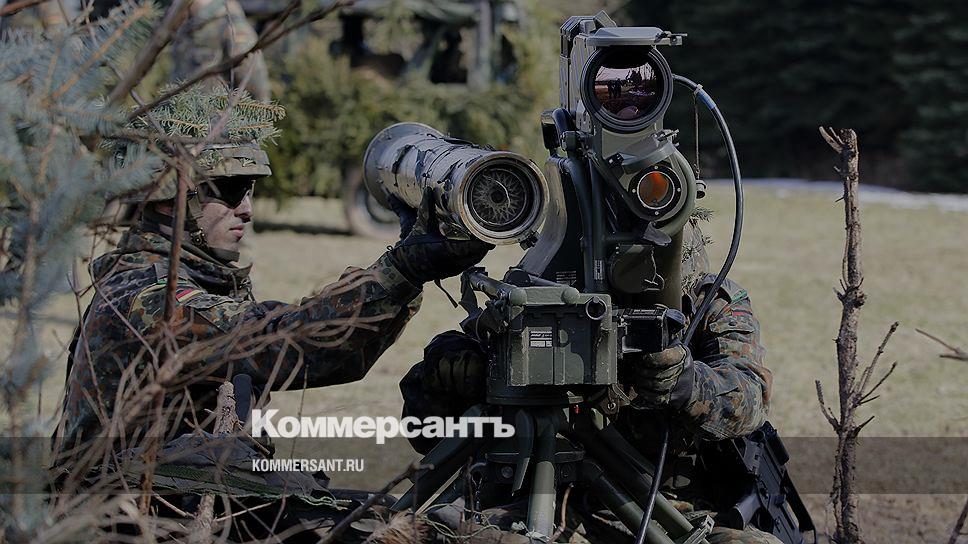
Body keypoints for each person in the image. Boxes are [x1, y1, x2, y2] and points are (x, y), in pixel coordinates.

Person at [53, 91, 492, 538]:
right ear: (168, 197)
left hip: (185, 500)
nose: (246, 208)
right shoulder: (148, 298)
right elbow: (287, 344)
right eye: (229, 190)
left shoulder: (187, 279)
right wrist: (401, 269)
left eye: (249, 189)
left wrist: (403, 273)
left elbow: (328, 351)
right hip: (134, 519)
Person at [399, 226, 782, 543]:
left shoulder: (708, 304)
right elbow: (424, 432)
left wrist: (685, 383)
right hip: (541, 504)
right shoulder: (542, 296)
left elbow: (748, 399)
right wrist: (450, 373)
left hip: (666, 510)